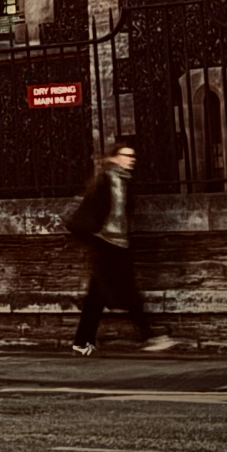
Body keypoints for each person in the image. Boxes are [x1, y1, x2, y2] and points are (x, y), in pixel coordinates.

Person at [66, 137, 175, 355]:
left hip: (118, 244)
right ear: (114, 158)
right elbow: (93, 213)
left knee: (96, 298)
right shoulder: (106, 182)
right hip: (106, 245)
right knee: (129, 291)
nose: (131, 160)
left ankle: (81, 343)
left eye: (132, 156)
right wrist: (96, 236)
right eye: (126, 156)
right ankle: (149, 336)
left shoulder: (124, 182)